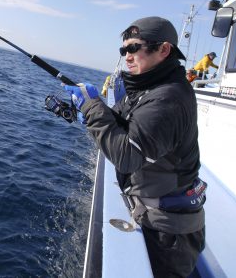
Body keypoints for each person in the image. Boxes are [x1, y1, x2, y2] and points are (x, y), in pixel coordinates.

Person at [64, 16, 205, 277]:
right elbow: (122, 124)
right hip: (156, 218)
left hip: (168, 236)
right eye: (123, 49)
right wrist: (92, 111)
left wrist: (93, 107)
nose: (126, 56)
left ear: (163, 50)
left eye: (133, 48)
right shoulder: (148, 89)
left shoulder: (169, 97)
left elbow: (127, 156)